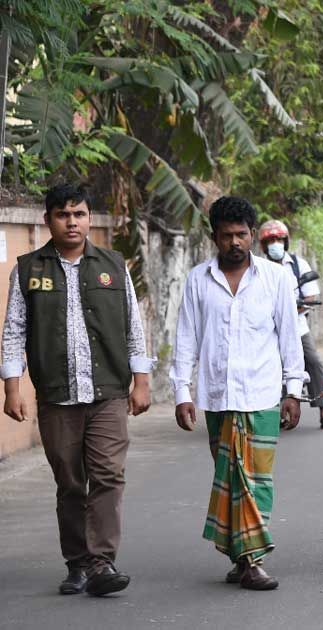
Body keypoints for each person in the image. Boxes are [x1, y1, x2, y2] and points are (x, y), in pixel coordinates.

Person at [2, 183, 152, 596]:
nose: (72, 222)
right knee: (70, 482)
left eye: (80, 214)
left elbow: (132, 326)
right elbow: (14, 331)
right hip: (57, 395)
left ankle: (102, 562)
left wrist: (141, 380)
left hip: (108, 393)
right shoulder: (29, 269)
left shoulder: (113, 265)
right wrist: (12, 388)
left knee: (108, 475)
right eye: (63, 215)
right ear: (47, 219)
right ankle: (77, 563)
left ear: (89, 218)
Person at [170, 196, 305, 591]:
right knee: (229, 477)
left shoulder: (276, 279)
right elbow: (185, 339)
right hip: (217, 398)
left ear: (252, 235)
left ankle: (253, 559)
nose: (235, 243)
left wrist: (293, 391)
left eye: (242, 235)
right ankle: (240, 556)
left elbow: (289, 337)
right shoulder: (198, 279)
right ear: (215, 237)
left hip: (262, 394)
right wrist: (181, 391)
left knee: (256, 479)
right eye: (227, 235)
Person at [259, 219, 323, 429]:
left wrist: (291, 310)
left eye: (278, 239)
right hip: (267, 330)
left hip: (297, 327)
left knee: (313, 362)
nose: (274, 243)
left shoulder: (297, 264)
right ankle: (273, 412)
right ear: (263, 245)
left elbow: (311, 296)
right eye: (270, 240)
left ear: (285, 241)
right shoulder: (258, 268)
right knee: (268, 367)